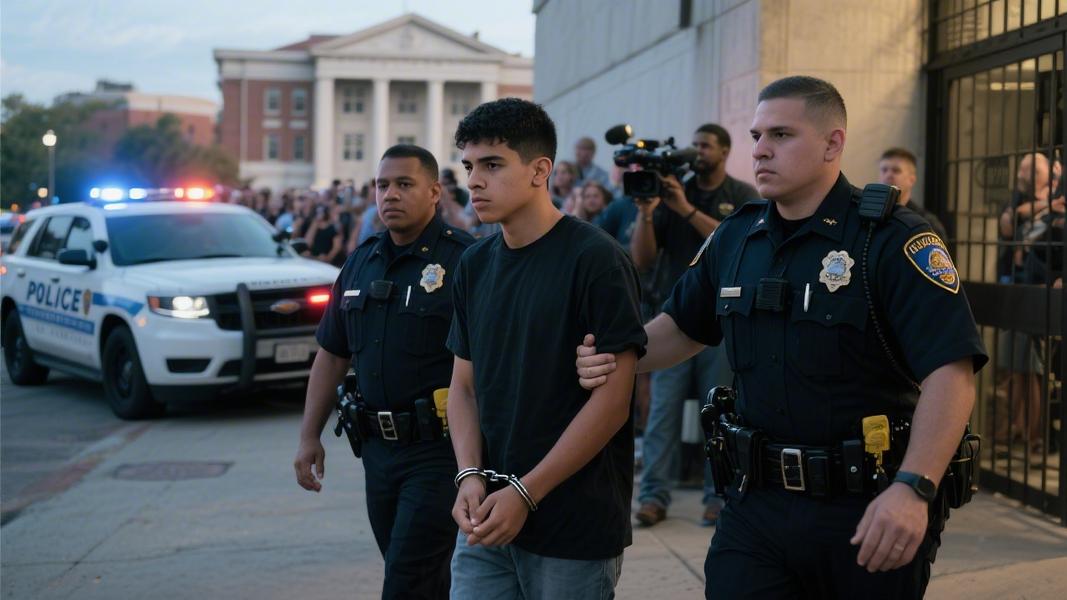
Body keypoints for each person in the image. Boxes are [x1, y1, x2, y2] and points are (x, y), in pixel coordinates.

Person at [577, 76, 987, 598]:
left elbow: (951, 373)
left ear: (833, 144)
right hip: (756, 504)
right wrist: (615, 356)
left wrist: (914, 486)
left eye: (781, 135)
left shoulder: (891, 240)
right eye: (756, 136)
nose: (760, 150)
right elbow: (680, 328)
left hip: (866, 504)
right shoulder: (736, 235)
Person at [446, 98, 647, 599]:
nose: (475, 181)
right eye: (469, 166)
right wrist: (468, 475)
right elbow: (463, 388)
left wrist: (525, 492)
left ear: (540, 171)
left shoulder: (596, 259)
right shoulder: (474, 264)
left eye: (492, 165)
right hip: (487, 517)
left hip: (572, 524)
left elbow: (613, 403)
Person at [294, 144, 475, 599]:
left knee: (406, 580)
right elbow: (332, 354)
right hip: (377, 452)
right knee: (418, 575)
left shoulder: (465, 260)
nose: (390, 194)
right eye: (382, 185)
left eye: (404, 184)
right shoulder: (361, 260)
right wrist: (309, 435)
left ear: (434, 192)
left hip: (439, 452)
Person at [629, 122, 760, 527]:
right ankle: (653, 496)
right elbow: (641, 260)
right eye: (695, 145)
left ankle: (718, 497)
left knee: (719, 415)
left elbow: (736, 242)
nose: (698, 151)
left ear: (724, 151)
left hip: (721, 325)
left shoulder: (742, 196)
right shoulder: (670, 193)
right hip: (675, 321)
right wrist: (647, 214)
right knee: (662, 415)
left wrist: (685, 209)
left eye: (706, 145)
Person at [877, 147, 948, 240]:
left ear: (911, 179)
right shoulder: (870, 217)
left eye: (896, 170)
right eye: (884, 170)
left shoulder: (925, 224)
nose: (888, 175)